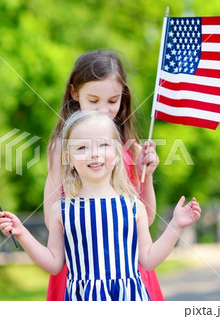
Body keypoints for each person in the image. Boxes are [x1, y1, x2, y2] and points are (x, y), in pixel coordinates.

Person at [0, 111, 201, 301]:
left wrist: (176, 225)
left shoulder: (133, 206)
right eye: (82, 147)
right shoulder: (62, 210)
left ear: (117, 152)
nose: (94, 154)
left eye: (103, 145)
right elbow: (53, 263)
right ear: (68, 158)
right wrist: (21, 232)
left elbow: (148, 259)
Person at [44, 49, 164, 300]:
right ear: (74, 94)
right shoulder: (62, 150)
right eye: (93, 99)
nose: (103, 109)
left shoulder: (129, 147)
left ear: (123, 98)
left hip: (128, 273)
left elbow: (147, 219)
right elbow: (51, 217)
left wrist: (147, 175)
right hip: (80, 273)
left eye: (112, 101)